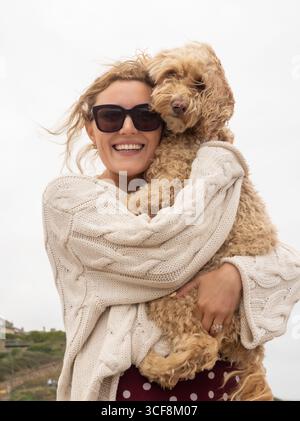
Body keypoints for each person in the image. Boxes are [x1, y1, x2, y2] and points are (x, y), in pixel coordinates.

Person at [42, 54, 300, 401]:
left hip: (231, 388)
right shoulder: (69, 200)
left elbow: (289, 266)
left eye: (145, 115)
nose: (128, 128)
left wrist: (234, 274)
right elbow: (164, 262)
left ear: (163, 122)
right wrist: (220, 159)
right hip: (129, 394)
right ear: (91, 128)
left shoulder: (190, 187)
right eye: (110, 116)